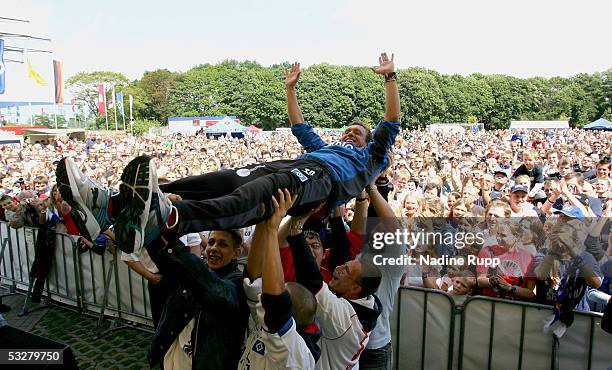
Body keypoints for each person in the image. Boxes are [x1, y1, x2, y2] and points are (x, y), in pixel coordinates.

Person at [58, 52, 400, 254]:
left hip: (317, 183)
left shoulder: (372, 157)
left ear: (368, 141)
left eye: (356, 132)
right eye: (347, 130)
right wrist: (289, 89)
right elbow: (299, 127)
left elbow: (391, 120)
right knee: (214, 180)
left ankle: (169, 218)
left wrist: (390, 79)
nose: (349, 133)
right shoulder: (326, 147)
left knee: (253, 197)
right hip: (296, 165)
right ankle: (108, 206)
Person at [239, 189, 319, 369]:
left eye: (281, 290)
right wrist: (263, 220)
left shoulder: (295, 355)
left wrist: (272, 230)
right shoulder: (264, 321)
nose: (268, 290)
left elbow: (275, 303)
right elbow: (254, 275)